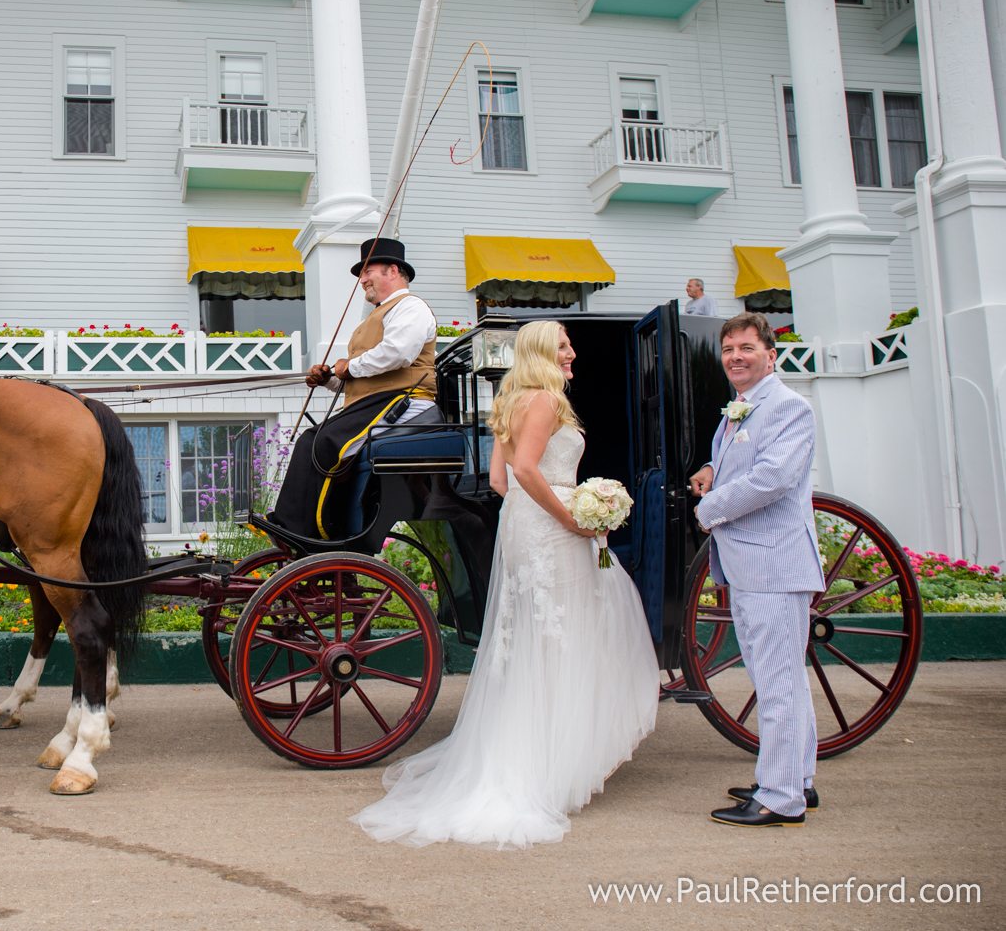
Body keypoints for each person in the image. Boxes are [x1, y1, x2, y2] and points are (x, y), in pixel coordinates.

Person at [351, 320, 659, 849]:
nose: (572, 352)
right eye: (563, 344)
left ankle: (544, 754)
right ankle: (553, 766)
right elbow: (527, 469)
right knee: (563, 636)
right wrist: (573, 515)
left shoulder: (512, 401)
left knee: (538, 641)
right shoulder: (542, 400)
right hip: (552, 529)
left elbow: (500, 480)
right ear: (542, 351)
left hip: (525, 527)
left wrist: (558, 503)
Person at [689, 312, 823, 828]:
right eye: (729, 350)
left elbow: (772, 478)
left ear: (771, 354)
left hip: (773, 565)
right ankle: (797, 780)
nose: (736, 357)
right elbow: (747, 461)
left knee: (776, 684)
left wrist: (709, 508)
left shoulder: (789, 406)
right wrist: (711, 468)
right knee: (783, 679)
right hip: (753, 562)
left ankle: (779, 797)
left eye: (747, 348)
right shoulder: (742, 408)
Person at [270, 237, 438, 540]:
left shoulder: (411, 307)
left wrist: (348, 366)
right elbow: (358, 377)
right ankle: (306, 528)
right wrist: (329, 379)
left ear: (392, 270)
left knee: (319, 442)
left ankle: (309, 530)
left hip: (404, 400)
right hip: (375, 401)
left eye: (367, 271)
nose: (362, 280)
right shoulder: (377, 315)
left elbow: (397, 353)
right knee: (314, 441)